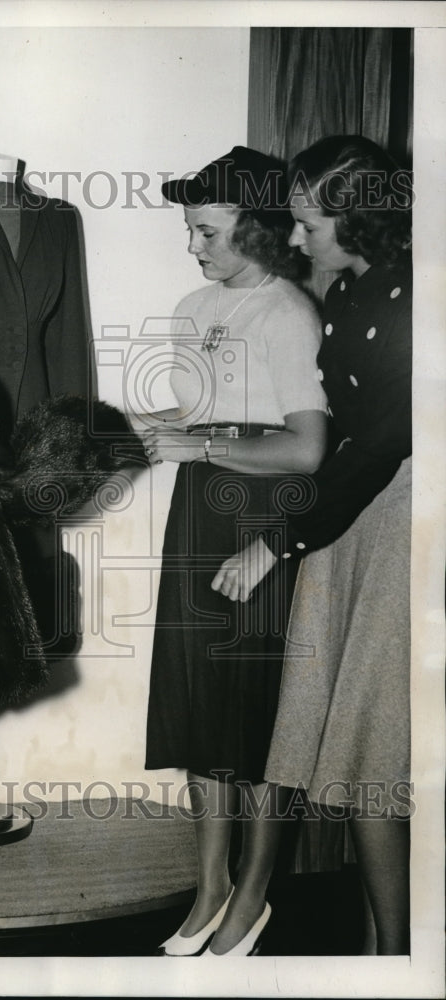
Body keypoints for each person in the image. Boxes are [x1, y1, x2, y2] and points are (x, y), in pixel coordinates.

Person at [212, 135, 413, 955]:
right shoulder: (351, 290)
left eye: (307, 225)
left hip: (397, 517)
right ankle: (382, 946)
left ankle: (397, 957)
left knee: (374, 755)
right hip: (350, 515)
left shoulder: (412, 297)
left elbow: (380, 444)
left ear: (355, 216)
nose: (295, 242)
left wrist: (279, 544)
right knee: (360, 754)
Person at [140, 146, 328, 956]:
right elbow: (204, 415)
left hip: (262, 521)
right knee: (198, 706)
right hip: (199, 514)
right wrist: (154, 427)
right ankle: (210, 884)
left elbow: (307, 452)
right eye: (190, 230)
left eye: (208, 231)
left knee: (252, 716)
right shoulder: (192, 307)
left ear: (256, 229)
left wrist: (201, 448)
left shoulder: (290, 312)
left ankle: (253, 895)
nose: (194, 246)